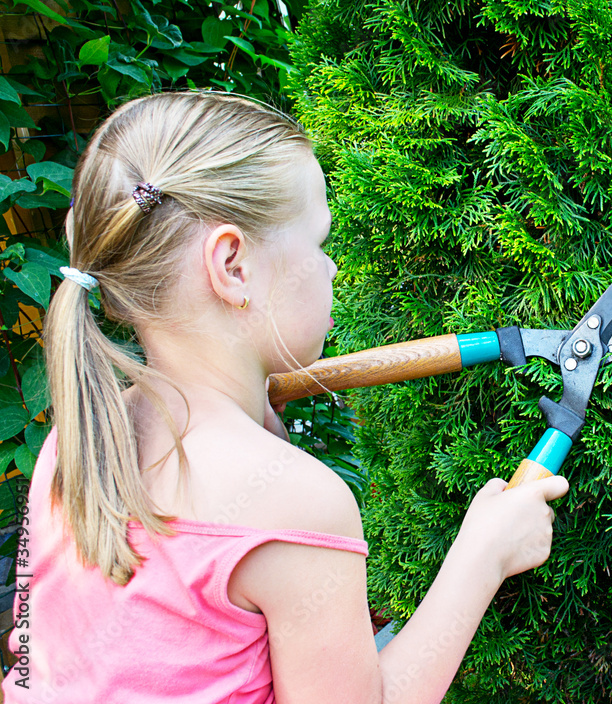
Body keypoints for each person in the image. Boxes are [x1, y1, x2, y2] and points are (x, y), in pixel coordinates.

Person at [3, 91, 568, 704]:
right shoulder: (296, 503)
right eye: (319, 243)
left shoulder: (77, 442)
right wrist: (484, 555)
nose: (330, 270)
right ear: (232, 266)